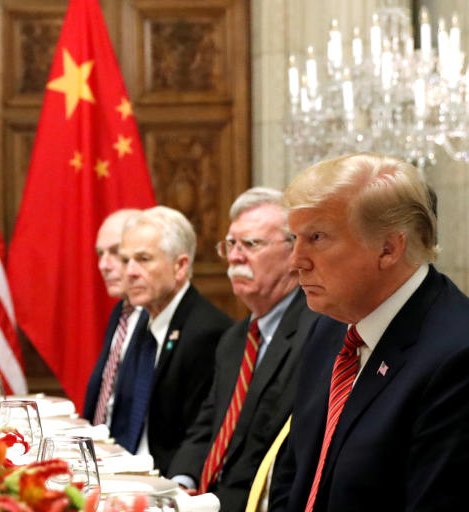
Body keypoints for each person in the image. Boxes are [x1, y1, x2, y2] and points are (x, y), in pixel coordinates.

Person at [269, 153, 469, 512]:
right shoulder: (329, 327)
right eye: (294, 238)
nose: (295, 259)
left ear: (389, 248)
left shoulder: (457, 357)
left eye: (316, 237)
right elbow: (294, 474)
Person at [167, 188, 316, 512]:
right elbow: (207, 426)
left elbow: (271, 454)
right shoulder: (235, 339)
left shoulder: (316, 333)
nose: (234, 257)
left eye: (250, 244)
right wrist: (182, 483)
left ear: (294, 252)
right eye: (231, 245)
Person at [110, 205, 232, 474]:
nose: (129, 272)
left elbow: (200, 435)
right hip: (125, 472)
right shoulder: (142, 319)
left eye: (143, 259)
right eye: (126, 260)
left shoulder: (206, 331)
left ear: (180, 266)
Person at [83, 208, 145, 426]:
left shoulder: (155, 317)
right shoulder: (121, 311)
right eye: (100, 254)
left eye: (115, 252)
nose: (103, 265)